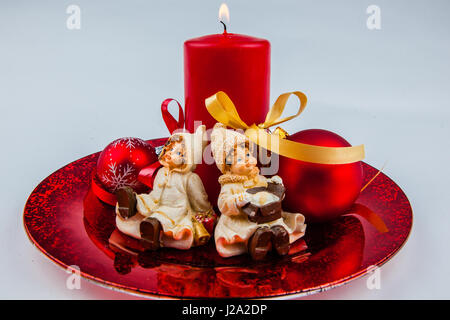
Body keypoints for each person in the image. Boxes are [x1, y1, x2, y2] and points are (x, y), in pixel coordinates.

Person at [211, 123, 306, 260]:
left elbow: (270, 192)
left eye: (248, 154)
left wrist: (275, 185)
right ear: (228, 168)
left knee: (276, 222)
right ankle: (258, 242)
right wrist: (236, 200)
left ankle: (279, 238)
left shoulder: (258, 178)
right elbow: (223, 203)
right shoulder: (230, 185)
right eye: (239, 159)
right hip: (243, 219)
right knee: (249, 230)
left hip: (267, 214)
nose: (248, 160)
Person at [115, 125, 213, 250]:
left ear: (189, 159)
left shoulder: (190, 178)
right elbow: (156, 192)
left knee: (162, 217)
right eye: (169, 149)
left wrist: (204, 210)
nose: (169, 154)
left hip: (176, 208)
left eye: (177, 153)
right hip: (155, 200)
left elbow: (198, 198)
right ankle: (131, 202)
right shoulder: (162, 172)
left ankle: (152, 230)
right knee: (145, 200)